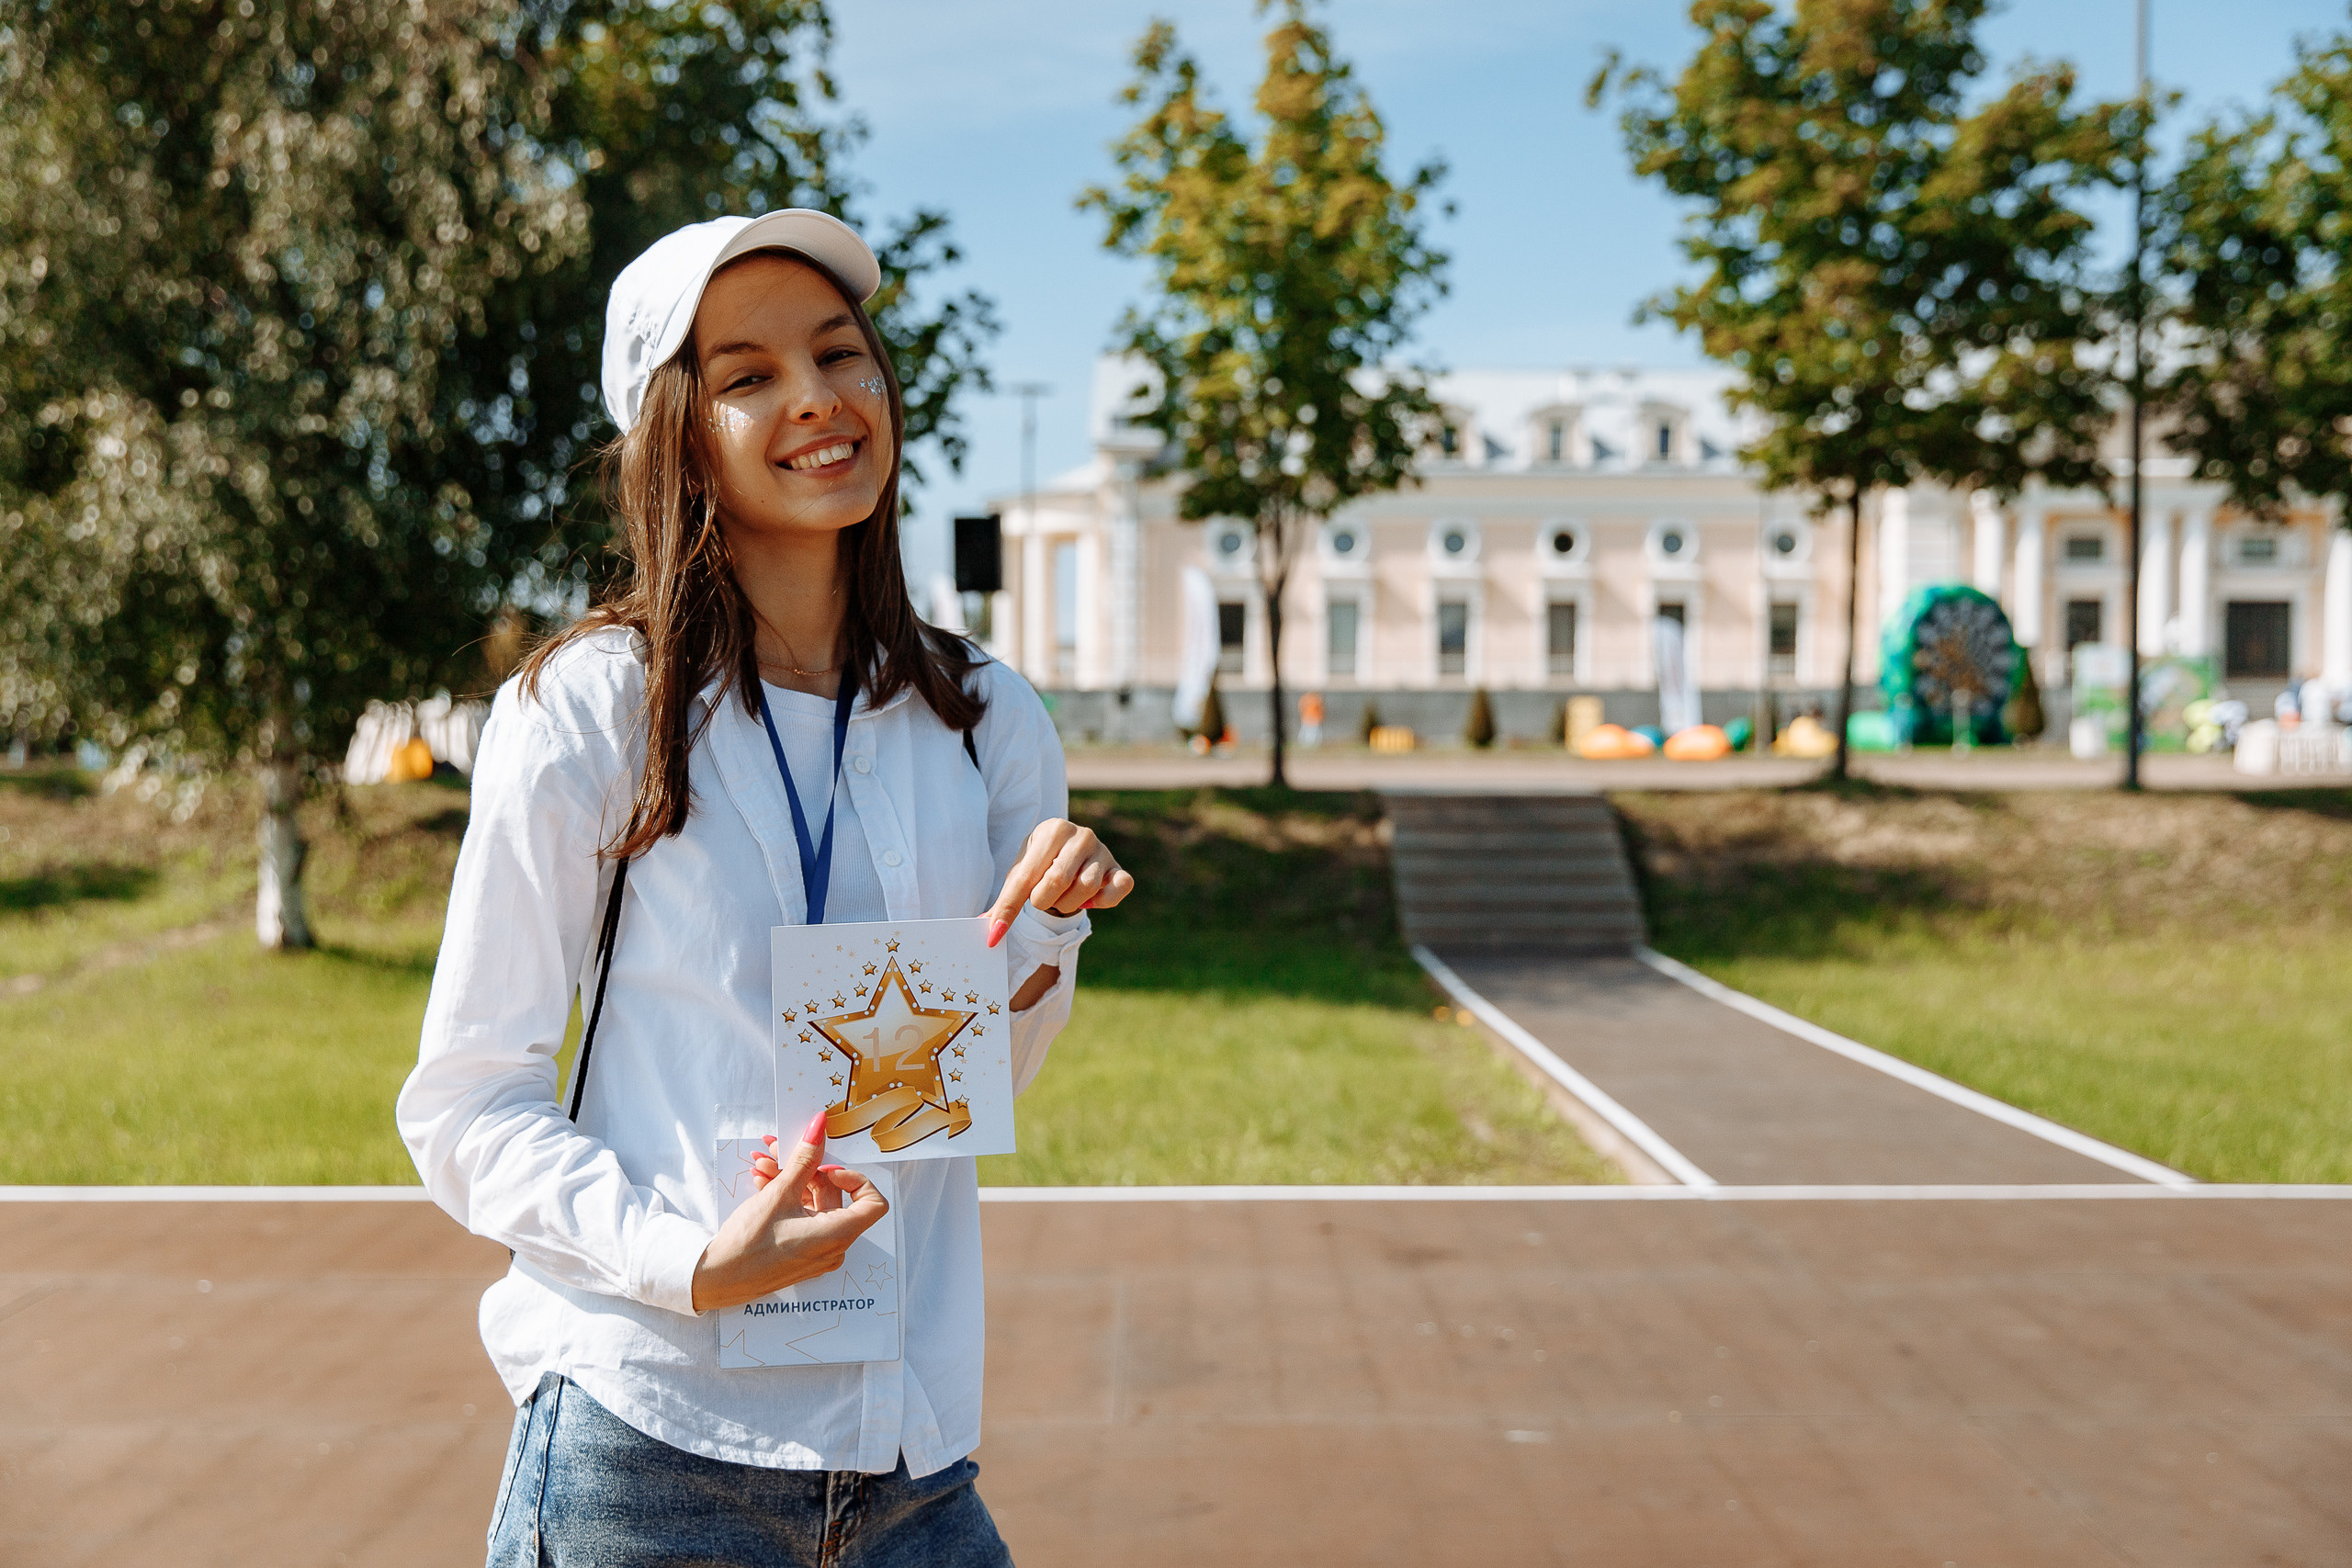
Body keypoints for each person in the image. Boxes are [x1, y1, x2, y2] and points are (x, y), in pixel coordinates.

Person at [397, 209, 1134, 1566]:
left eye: (839, 354)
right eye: (749, 375)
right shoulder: (590, 711)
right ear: (678, 434)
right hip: (649, 1451)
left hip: (909, 1462)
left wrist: (1048, 929)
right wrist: (686, 1263)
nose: (816, 397)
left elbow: (969, 1094)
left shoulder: (985, 715)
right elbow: (466, 1104)